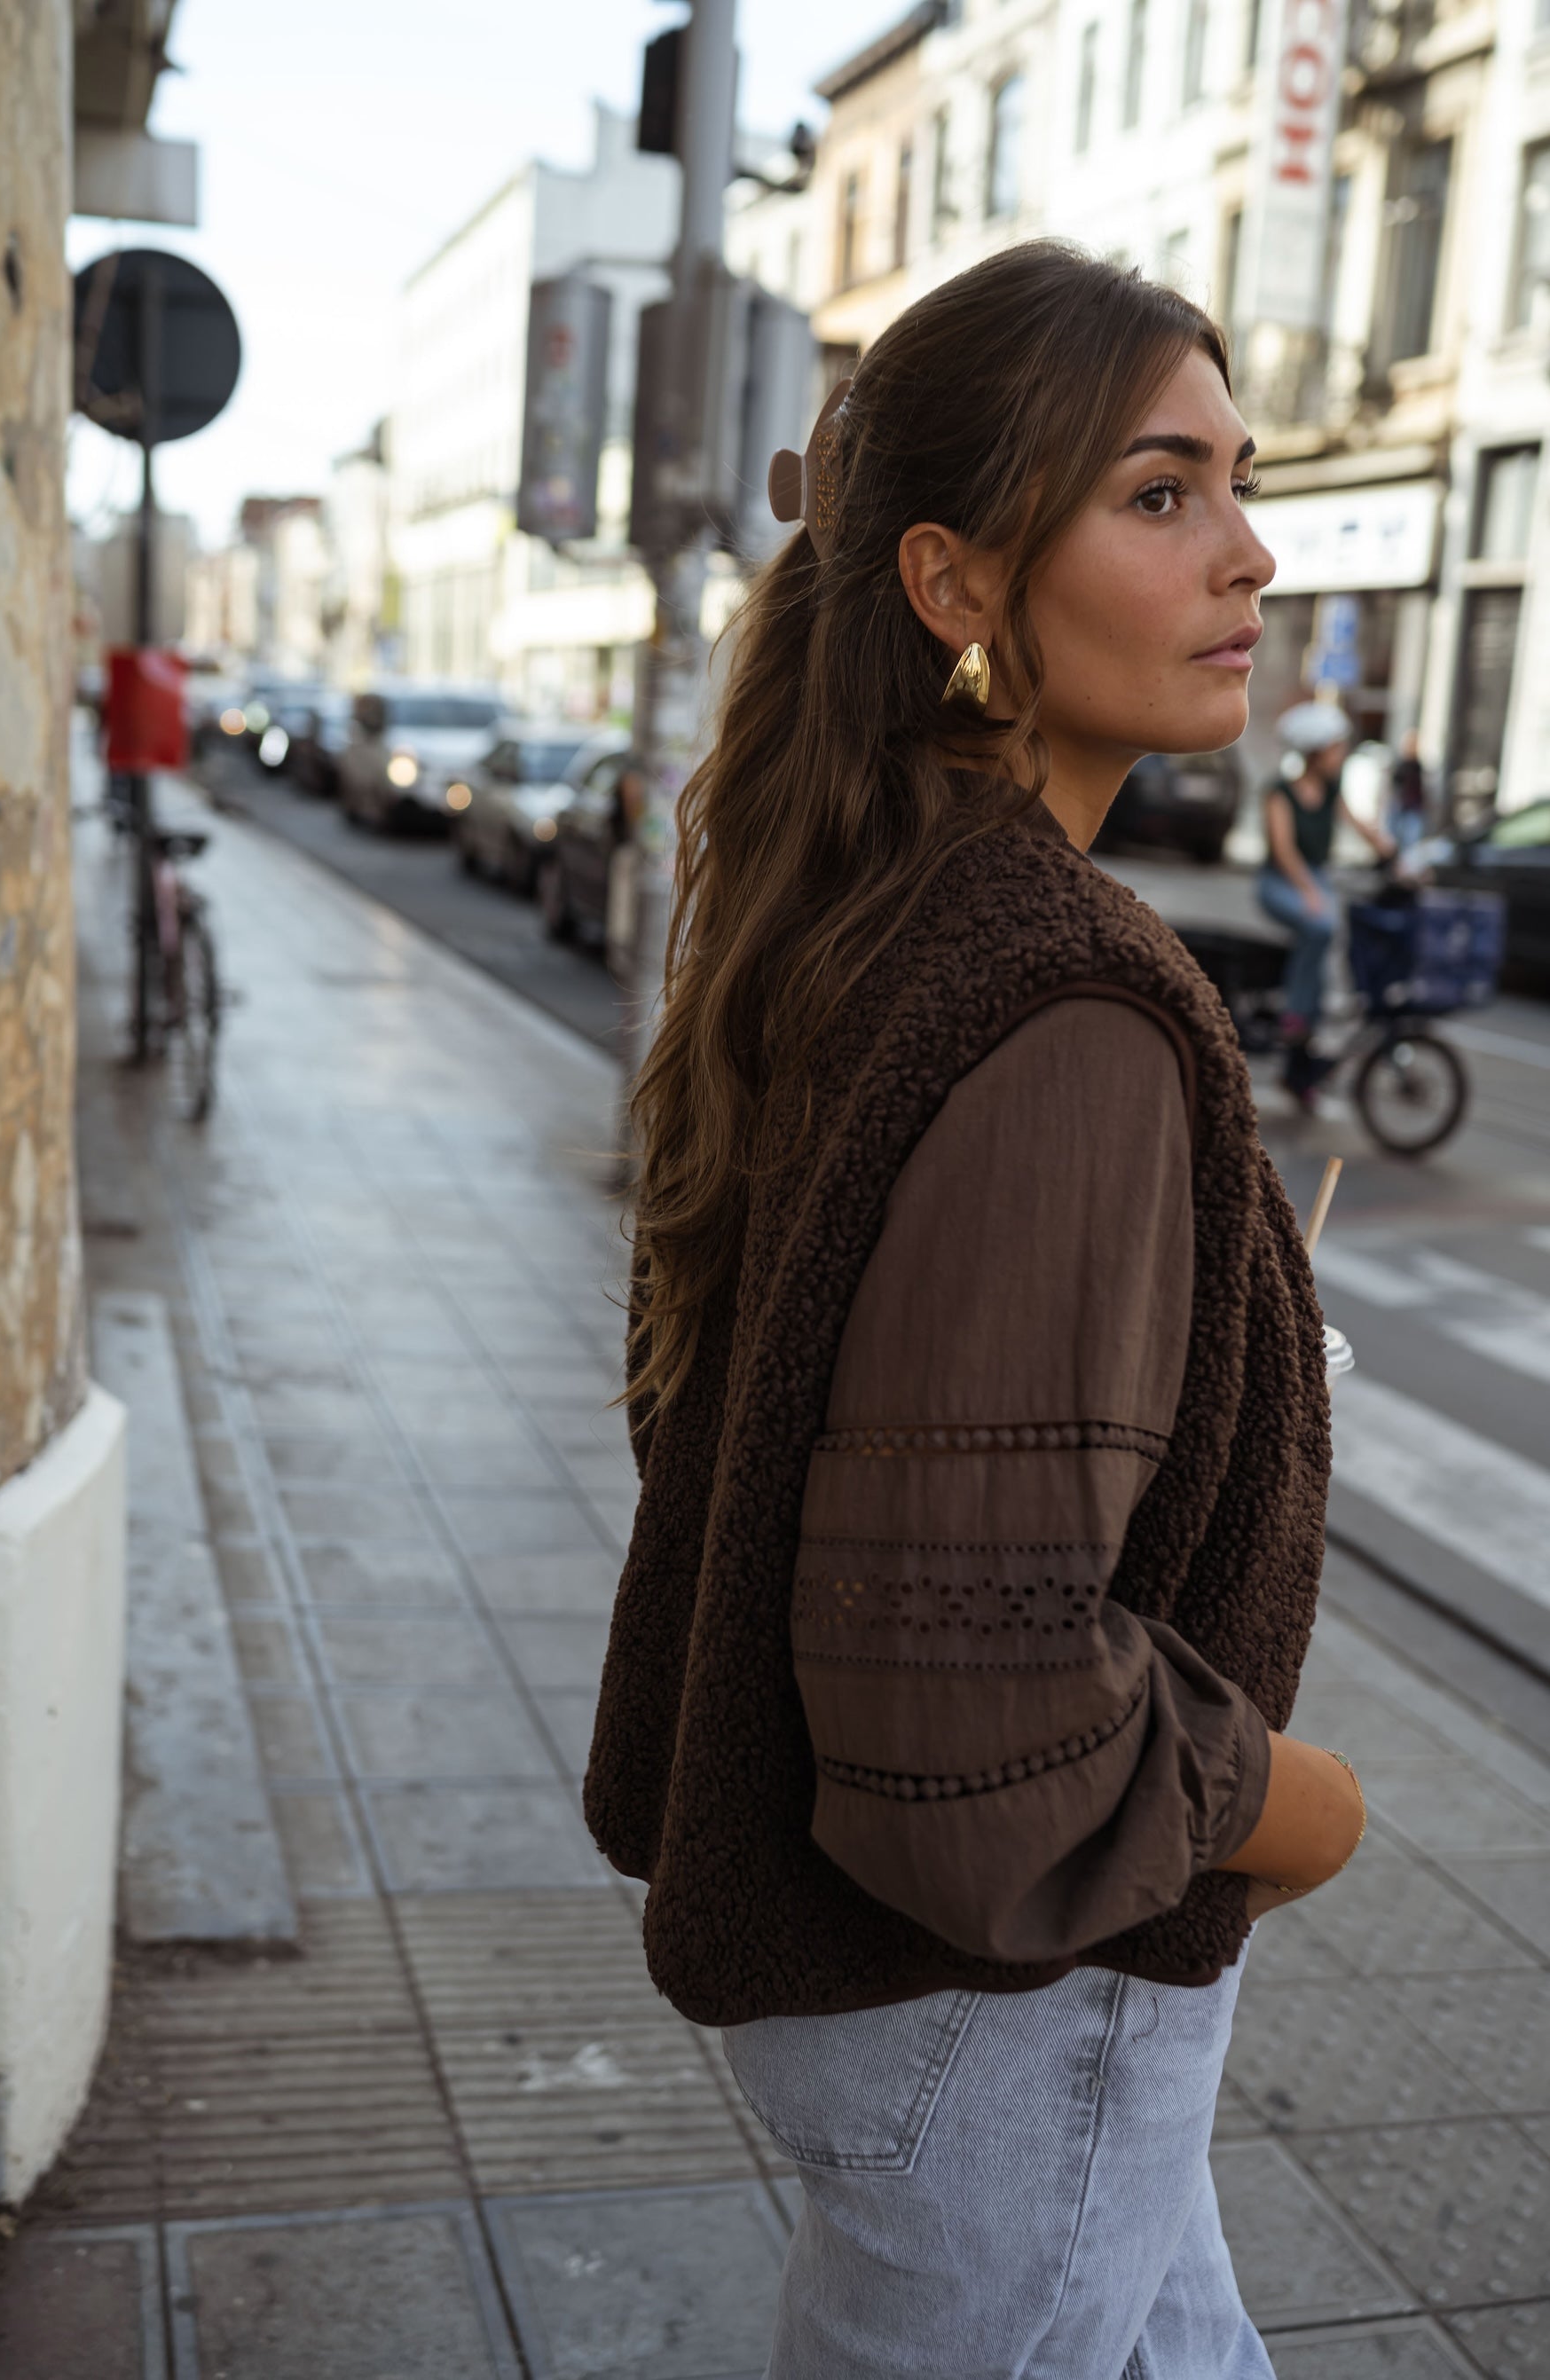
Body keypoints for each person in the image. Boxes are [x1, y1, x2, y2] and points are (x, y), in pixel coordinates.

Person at [586, 243, 1365, 2380]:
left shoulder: (878, 906)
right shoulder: (1066, 1000)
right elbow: (971, 1705)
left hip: (939, 2010)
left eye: (1237, 480)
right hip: (1006, 2005)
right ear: (951, 581)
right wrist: (1289, 1804)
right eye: (1157, 493)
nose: (1249, 549)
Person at [1258, 701, 1395, 1105]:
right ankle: (1296, 1016)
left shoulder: (1332, 790)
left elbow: (1361, 824)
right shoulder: (1279, 792)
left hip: (1315, 879)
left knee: (1330, 937)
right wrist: (1310, 891)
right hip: (1280, 882)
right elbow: (1283, 850)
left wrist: (1395, 856)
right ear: (1316, 752)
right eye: (1336, 747)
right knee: (1320, 926)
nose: (1342, 754)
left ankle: (1303, 1053)